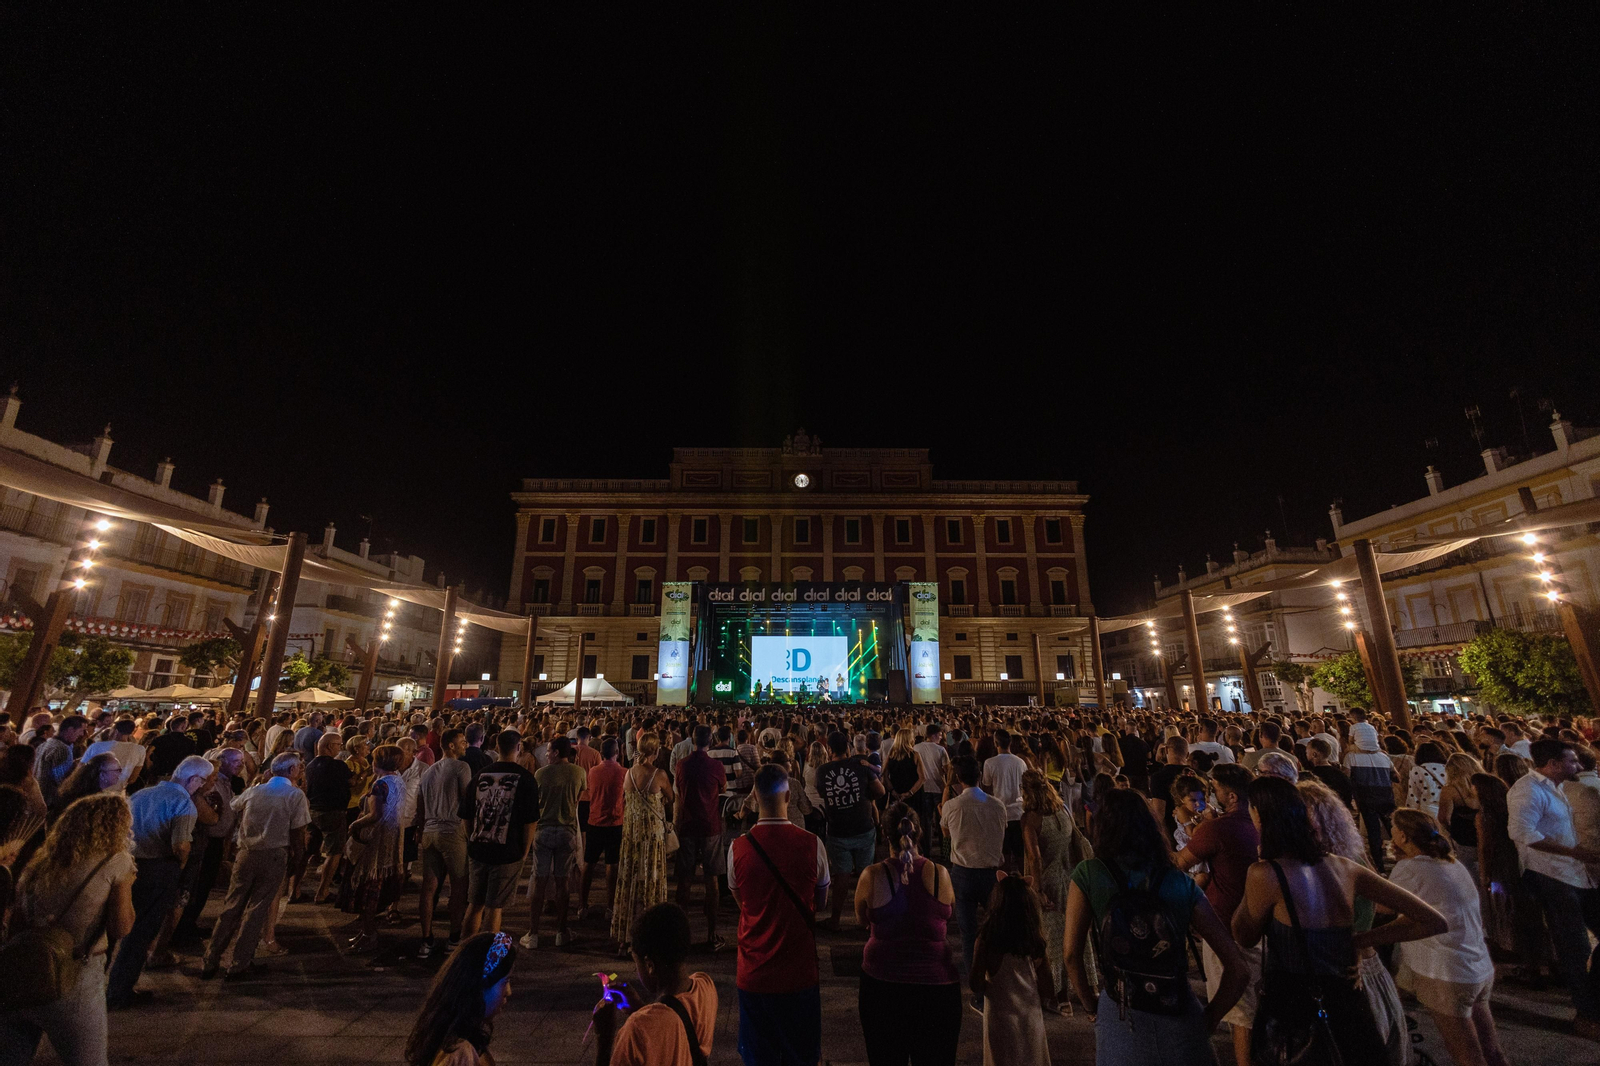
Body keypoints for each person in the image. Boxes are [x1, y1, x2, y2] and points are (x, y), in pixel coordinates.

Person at [1232, 776, 1446, 1062]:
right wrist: (1359, 940)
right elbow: (1432, 920)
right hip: (1349, 1001)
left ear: (1263, 819)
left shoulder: (1266, 874)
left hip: (1294, 1006)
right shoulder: (1346, 866)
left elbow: (1244, 935)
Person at [1064, 788, 1248, 1066]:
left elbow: (1070, 955)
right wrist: (1208, 1019)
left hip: (1121, 1012)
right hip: (1177, 1009)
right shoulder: (1179, 882)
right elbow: (1238, 968)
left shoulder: (1089, 874)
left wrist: (1092, 1008)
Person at [0, 793, 135, 1066]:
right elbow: (122, 926)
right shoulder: (116, 861)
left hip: (21, 969)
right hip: (74, 973)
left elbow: (16, 922)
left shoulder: (41, 861)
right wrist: (128, 884)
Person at [1387, 809, 1509, 1066]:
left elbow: (1384, 907)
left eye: (1393, 829)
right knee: (1492, 1052)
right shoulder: (1452, 863)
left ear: (1404, 836)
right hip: (1477, 967)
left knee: (1468, 1058)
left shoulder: (1408, 869)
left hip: (1446, 973)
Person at [728, 764, 829, 1066]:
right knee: (802, 1055)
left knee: (759, 1057)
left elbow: (743, 903)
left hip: (754, 973)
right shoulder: (813, 844)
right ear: (788, 795)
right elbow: (819, 903)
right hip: (800, 972)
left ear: (755, 796)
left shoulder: (737, 848)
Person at [1506, 738, 1600, 1039]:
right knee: (1575, 947)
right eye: (1572, 761)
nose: (1579, 765)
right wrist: (1574, 853)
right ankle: (1587, 1014)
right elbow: (1522, 833)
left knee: (1584, 942)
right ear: (1553, 764)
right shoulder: (1527, 790)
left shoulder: (1554, 787)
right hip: (1552, 876)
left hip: (1575, 873)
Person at [853, 802, 960, 1066]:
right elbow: (949, 914)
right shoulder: (940, 874)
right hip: (937, 988)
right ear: (920, 833)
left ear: (885, 834)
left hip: (883, 987)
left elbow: (861, 919)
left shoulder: (873, 875)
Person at [106, 753, 212, 1008]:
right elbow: (181, 845)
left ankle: (98, 983)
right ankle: (120, 990)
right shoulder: (183, 804)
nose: (205, 785)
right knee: (141, 932)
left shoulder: (142, 794)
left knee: (112, 926)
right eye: (205, 780)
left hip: (128, 864)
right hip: (158, 869)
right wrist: (180, 866)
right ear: (194, 779)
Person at [1172, 761, 1259, 1066]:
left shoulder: (1217, 828)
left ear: (1232, 796)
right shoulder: (1257, 822)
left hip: (1226, 924)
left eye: (1217, 790)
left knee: (1241, 1011)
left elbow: (1179, 863)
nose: (1212, 795)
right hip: (1259, 921)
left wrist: (1185, 825)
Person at [202, 751, 310, 978]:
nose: (300, 772)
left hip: (247, 852)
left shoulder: (255, 790)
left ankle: (212, 958)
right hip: (274, 853)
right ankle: (240, 962)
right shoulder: (294, 795)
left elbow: (233, 805)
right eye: (299, 768)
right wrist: (298, 859)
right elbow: (298, 832)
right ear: (291, 771)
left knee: (231, 907)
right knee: (256, 909)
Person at [592, 903, 718, 1066]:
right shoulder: (705, 985)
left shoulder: (636, 1029)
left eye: (636, 962)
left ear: (650, 965)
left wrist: (604, 1040)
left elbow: (661, 1026)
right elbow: (673, 1023)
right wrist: (639, 1008)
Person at [1019, 768, 1085, 1013]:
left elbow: (1035, 858)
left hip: (1048, 880)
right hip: (1069, 876)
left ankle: (1057, 995)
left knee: (1050, 941)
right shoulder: (1063, 810)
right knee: (1074, 934)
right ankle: (1081, 986)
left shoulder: (1031, 818)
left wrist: (1037, 889)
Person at [971, 873, 1052, 1066]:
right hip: (1030, 1019)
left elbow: (975, 982)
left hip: (999, 1020)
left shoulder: (986, 941)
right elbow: (1048, 987)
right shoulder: (1035, 943)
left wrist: (990, 986)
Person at [940, 755, 1006, 990]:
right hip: (991, 873)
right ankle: (996, 978)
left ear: (958, 779)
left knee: (968, 934)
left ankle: (976, 986)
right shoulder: (997, 805)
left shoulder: (952, 806)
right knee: (994, 930)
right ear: (980, 776)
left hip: (964, 873)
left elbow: (946, 834)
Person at [405, 930, 517, 1066]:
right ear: (478, 986)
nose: (508, 992)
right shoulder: (460, 1054)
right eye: (505, 982)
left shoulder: (452, 1036)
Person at [464, 731, 538, 937]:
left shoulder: (480, 776)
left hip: (479, 845)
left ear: (497, 747)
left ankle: (464, 953)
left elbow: (466, 815)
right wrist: (524, 850)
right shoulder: (525, 779)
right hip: (508, 849)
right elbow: (530, 821)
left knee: (475, 904)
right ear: (518, 747)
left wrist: (472, 837)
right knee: (495, 906)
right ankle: (487, 957)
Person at [340, 743, 409, 952]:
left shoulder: (380, 785)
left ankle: (369, 934)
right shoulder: (398, 780)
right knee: (376, 889)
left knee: (368, 890)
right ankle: (366, 932)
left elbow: (375, 814)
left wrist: (355, 825)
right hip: (391, 839)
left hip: (375, 842)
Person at [817, 730, 884, 930]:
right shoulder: (860, 766)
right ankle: (869, 922)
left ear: (829, 749)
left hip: (838, 829)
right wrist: (863, 798)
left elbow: (823, 793)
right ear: (848, 747)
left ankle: (835, 919)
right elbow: (880, 791)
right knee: (866, 876)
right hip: (863, 825)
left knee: (841, 876)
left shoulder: (823, 771)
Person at [612, 732, 672, 954]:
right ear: (655, 752)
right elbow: (671, 798)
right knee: (650, 884)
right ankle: (652, 936)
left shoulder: (629, 773)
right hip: (651, 837)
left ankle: (624, 937)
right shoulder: (659, 774)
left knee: (629, 883)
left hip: (632, 834)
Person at [417, 728, 473, 958]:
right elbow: (466, 801)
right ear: (451, 745)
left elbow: (420, 807)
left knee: (429, 887)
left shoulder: (428, 772)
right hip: (452, 830)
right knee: (459, 886)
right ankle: (454, 936)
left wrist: (421, 831)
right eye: (462, 742)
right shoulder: (461, 768)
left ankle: (427, 939)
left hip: (430, 831)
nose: (465, 745)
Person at [527, 736, 586, 949]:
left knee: (539, 880)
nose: (546, 754)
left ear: (557, 753)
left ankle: (533, 933)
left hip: (543, 829)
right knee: (563, 882)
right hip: (566, 830)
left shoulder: (541, 774)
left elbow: (536, 801)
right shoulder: (579, 772)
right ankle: (561, 931)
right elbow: (578, 798)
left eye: (549, 751)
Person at [674, 726, 728, 951]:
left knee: (684, 879)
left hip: (687, 824)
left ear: (692, 741)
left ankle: (680, 934)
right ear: (711, 741)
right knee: (711, 878)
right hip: (710, 826)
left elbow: (678, 790)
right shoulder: (716, 766)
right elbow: (723, 787)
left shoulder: (681, 764)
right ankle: (712, 933)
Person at [580, 737, 626, 920]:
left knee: (588, 864)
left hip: (594, 821)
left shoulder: (593, 771)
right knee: (612, 866)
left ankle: (582, 905)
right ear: (617, 752)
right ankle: (610, 906)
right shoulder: (624, 772)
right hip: (615, 823)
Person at [305, 733, 353, 905]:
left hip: (313, 811)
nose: (340, 748)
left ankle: (293, 889)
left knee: (308, 850)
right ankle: (323, 891)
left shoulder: (310, 765)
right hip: (333, 812)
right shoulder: (338, 766)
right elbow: (351, 782)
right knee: (335, 852)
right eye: (339, 745)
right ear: (329, 746)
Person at [1344, 720, 1398, 870]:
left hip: (1366, 799)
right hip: (1386, 797)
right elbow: (1396, 777)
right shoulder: (1384, 757)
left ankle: (1379, 866)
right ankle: (1401, 857)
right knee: (1393, 829)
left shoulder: (1351, 757)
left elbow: (1346, 778)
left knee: (1374, 834)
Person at [980, 729, 1026, 867]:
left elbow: (987, 788)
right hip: (1019, 812)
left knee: (1004, 854)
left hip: (1000, 812)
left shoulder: (990, 763)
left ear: (996, 743)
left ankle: (1005, 883)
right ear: (1010, 743)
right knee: (1020, 854)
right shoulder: (1020, 762)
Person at [1437, 753, 1484, 878]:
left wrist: (1450, 830)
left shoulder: (1450, 790)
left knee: (1467, 872)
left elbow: (1443, 818)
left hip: (1463, 837)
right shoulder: (1484, 787)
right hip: (1485, 835)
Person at [32, 715, 86, 808]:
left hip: (38, 796)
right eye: (81, 730)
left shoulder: (46, 744)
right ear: (70, 729)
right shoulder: (61, 748)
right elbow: (62, 781)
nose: (82, 734)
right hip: (50, 801)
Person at [912, 724, 950, 857]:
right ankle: (944, 851)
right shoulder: (940, 750)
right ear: (933, 735)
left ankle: (926, 852)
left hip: (923, 788)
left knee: (925, 821)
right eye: (940, 735)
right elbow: (947, 769)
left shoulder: (916, 748)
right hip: (939, 788)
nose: (941, 738)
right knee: (942, 821)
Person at [47, 753, 121, 821]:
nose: (120, 773)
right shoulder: (94, 801)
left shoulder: (78, 790)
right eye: (117, 770)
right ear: (102, 774)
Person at [83, 718, 145, 791]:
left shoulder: (96, 746)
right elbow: (132, 779)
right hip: (117, 792)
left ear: (116, 731)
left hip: (92, 790)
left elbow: (82, 768)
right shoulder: (139, 750)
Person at [1408, 741, 1449, 819]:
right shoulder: (1447, 768)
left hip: (1428, 811)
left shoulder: (1417, 770)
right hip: (1446, 810)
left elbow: (1413, 795)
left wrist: (1411, 815)